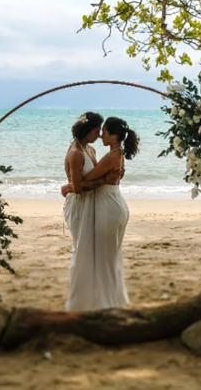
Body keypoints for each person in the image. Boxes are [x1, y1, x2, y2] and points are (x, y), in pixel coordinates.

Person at [62, 115, 139, 311]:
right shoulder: (110, 153)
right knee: (106, 257)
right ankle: (105, 300)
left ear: (114, 136)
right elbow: (86, 181)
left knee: (104, 258)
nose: (100, 135)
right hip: (109, 204)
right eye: (98, 131)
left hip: (109, 207)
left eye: (103, 132)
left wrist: (68, 187)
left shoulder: (112, 155)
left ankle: (106, 303)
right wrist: (73, 186)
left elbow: (85, 180)